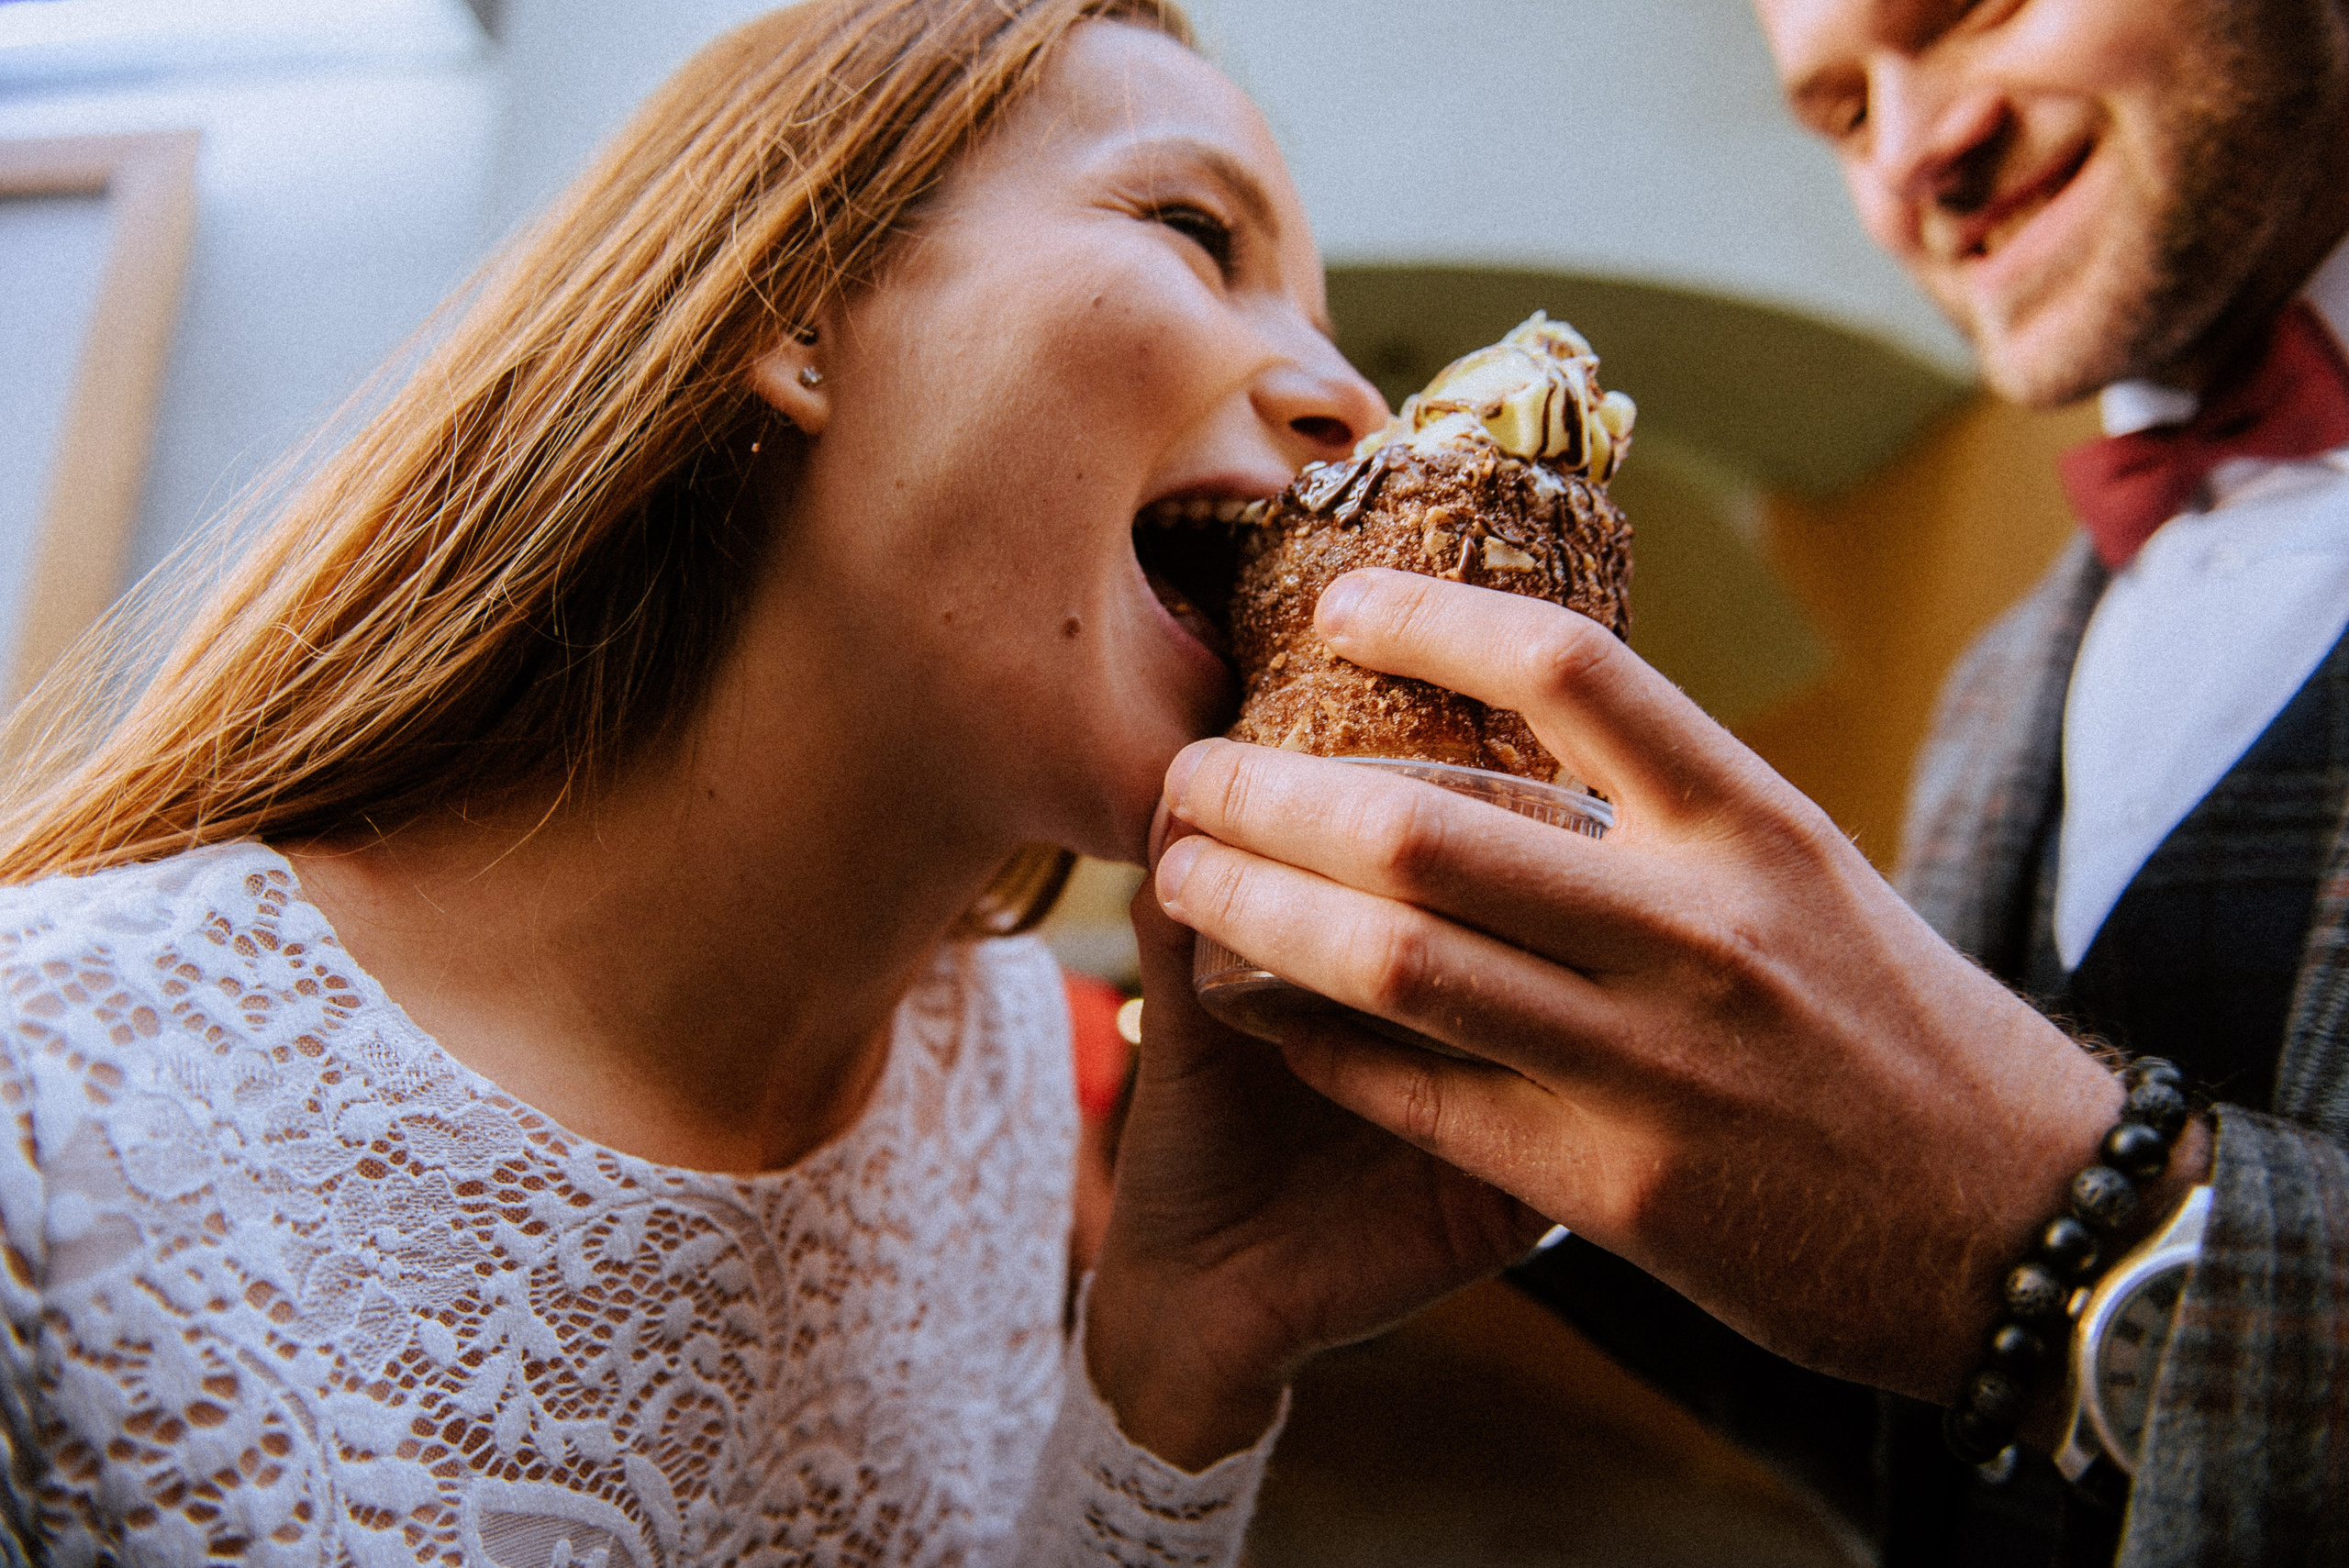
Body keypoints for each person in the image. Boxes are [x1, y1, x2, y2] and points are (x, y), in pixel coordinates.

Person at [0, 3, 1552, 1562]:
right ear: (798, 312)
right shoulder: (47, 1115)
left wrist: (1186, 1346)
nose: (1357, 402)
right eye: (1197, 232)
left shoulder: (995, 1059)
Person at [1137, 0, 2349, 1562]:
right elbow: (1945, 1410)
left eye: (1970, 13)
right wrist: (1525, 1096)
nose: (1916, 151)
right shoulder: (2004, 683)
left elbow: (2008, 1257)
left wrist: (2072, 1226)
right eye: (1842, 112)